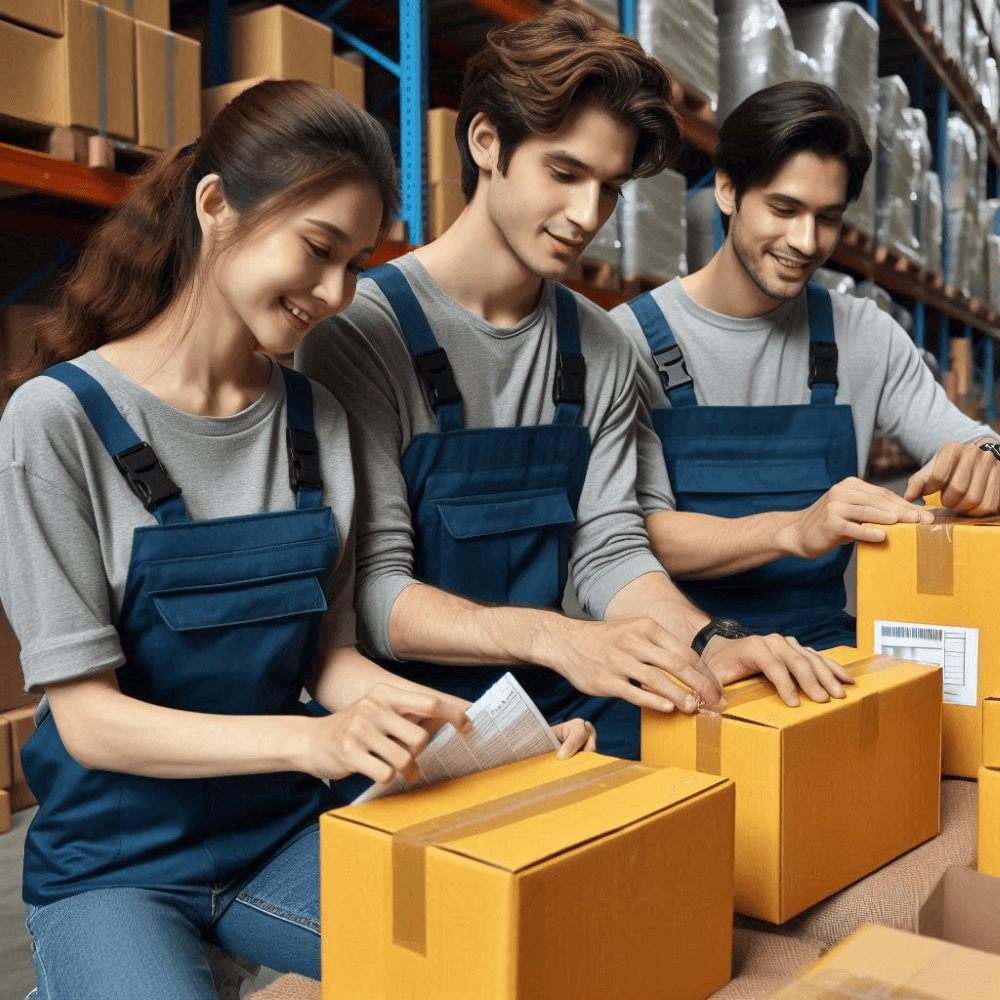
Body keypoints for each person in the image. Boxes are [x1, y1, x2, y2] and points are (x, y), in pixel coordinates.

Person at [0, 80, 594, 1000]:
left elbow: (331, 665)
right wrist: (311, 746)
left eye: (356, 264)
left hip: (283, 837)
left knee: (484, 962)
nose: (333, 294)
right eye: (318, 249)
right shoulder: (56, 422)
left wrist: (490, 735)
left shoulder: (319, 420)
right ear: (215, 207)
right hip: (116, 866)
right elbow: (87, 720)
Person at [299, 9, 848, 773]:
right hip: (414, 716)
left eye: (611, 188)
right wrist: (557, 637)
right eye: (564, 173)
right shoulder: (359, 336)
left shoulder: (601, 344)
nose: (588, 216)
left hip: (566, 698)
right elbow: (377, 595)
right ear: (486, 142)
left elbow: (609, 550)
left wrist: (708, 641)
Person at [611, 80, 1000, 653]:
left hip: (824, 645)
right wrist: (795, 529)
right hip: (681, 647)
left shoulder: (863, 334)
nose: (805, 241)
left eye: (827, 218)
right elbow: (635, 537)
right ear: (726, 189)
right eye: (784, 208)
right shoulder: (629, 341)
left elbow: (970, 440)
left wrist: (987, 460)